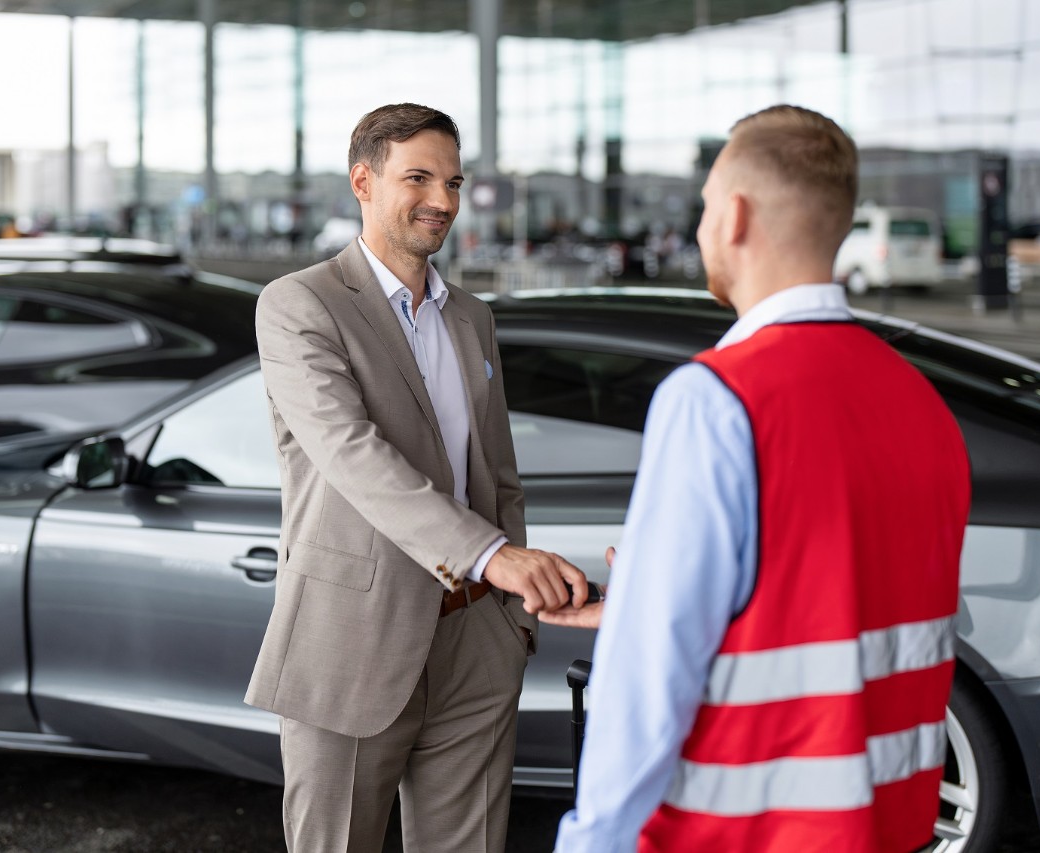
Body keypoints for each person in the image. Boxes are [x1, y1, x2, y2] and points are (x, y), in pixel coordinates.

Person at [544, 105, 971, 852]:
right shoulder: (922, 402)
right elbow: (850, 612)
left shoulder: (715, 398)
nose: (704, 222)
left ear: (733, 215)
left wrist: (592, 839)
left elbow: (649, 677)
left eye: (706, 204)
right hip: (888, 826)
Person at [244, 102, 590, 853]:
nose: (443, 200)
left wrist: (511, 623)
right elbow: (351, 453)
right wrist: (496, 554)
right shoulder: (300, 305)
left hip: (476, 639)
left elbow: (498, 476)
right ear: (362, 181)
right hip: (354, 642)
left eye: (454, 182)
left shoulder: (470, 316)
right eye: (419, 178)